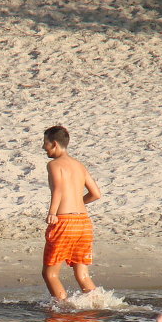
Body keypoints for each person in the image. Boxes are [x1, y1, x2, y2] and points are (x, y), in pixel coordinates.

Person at [41, 125, 103, 301]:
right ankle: (98, 305)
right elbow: (96, 194)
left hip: (64, 223)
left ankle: (62, 310)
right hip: (83, 223)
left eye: (45, 143)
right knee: (82, 275)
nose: (43, 147)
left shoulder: (54, 164)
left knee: (50, 274)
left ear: (54, 144)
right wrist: (77, 203)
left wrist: (53, 212)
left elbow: (59, 188)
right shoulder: (79, 165)